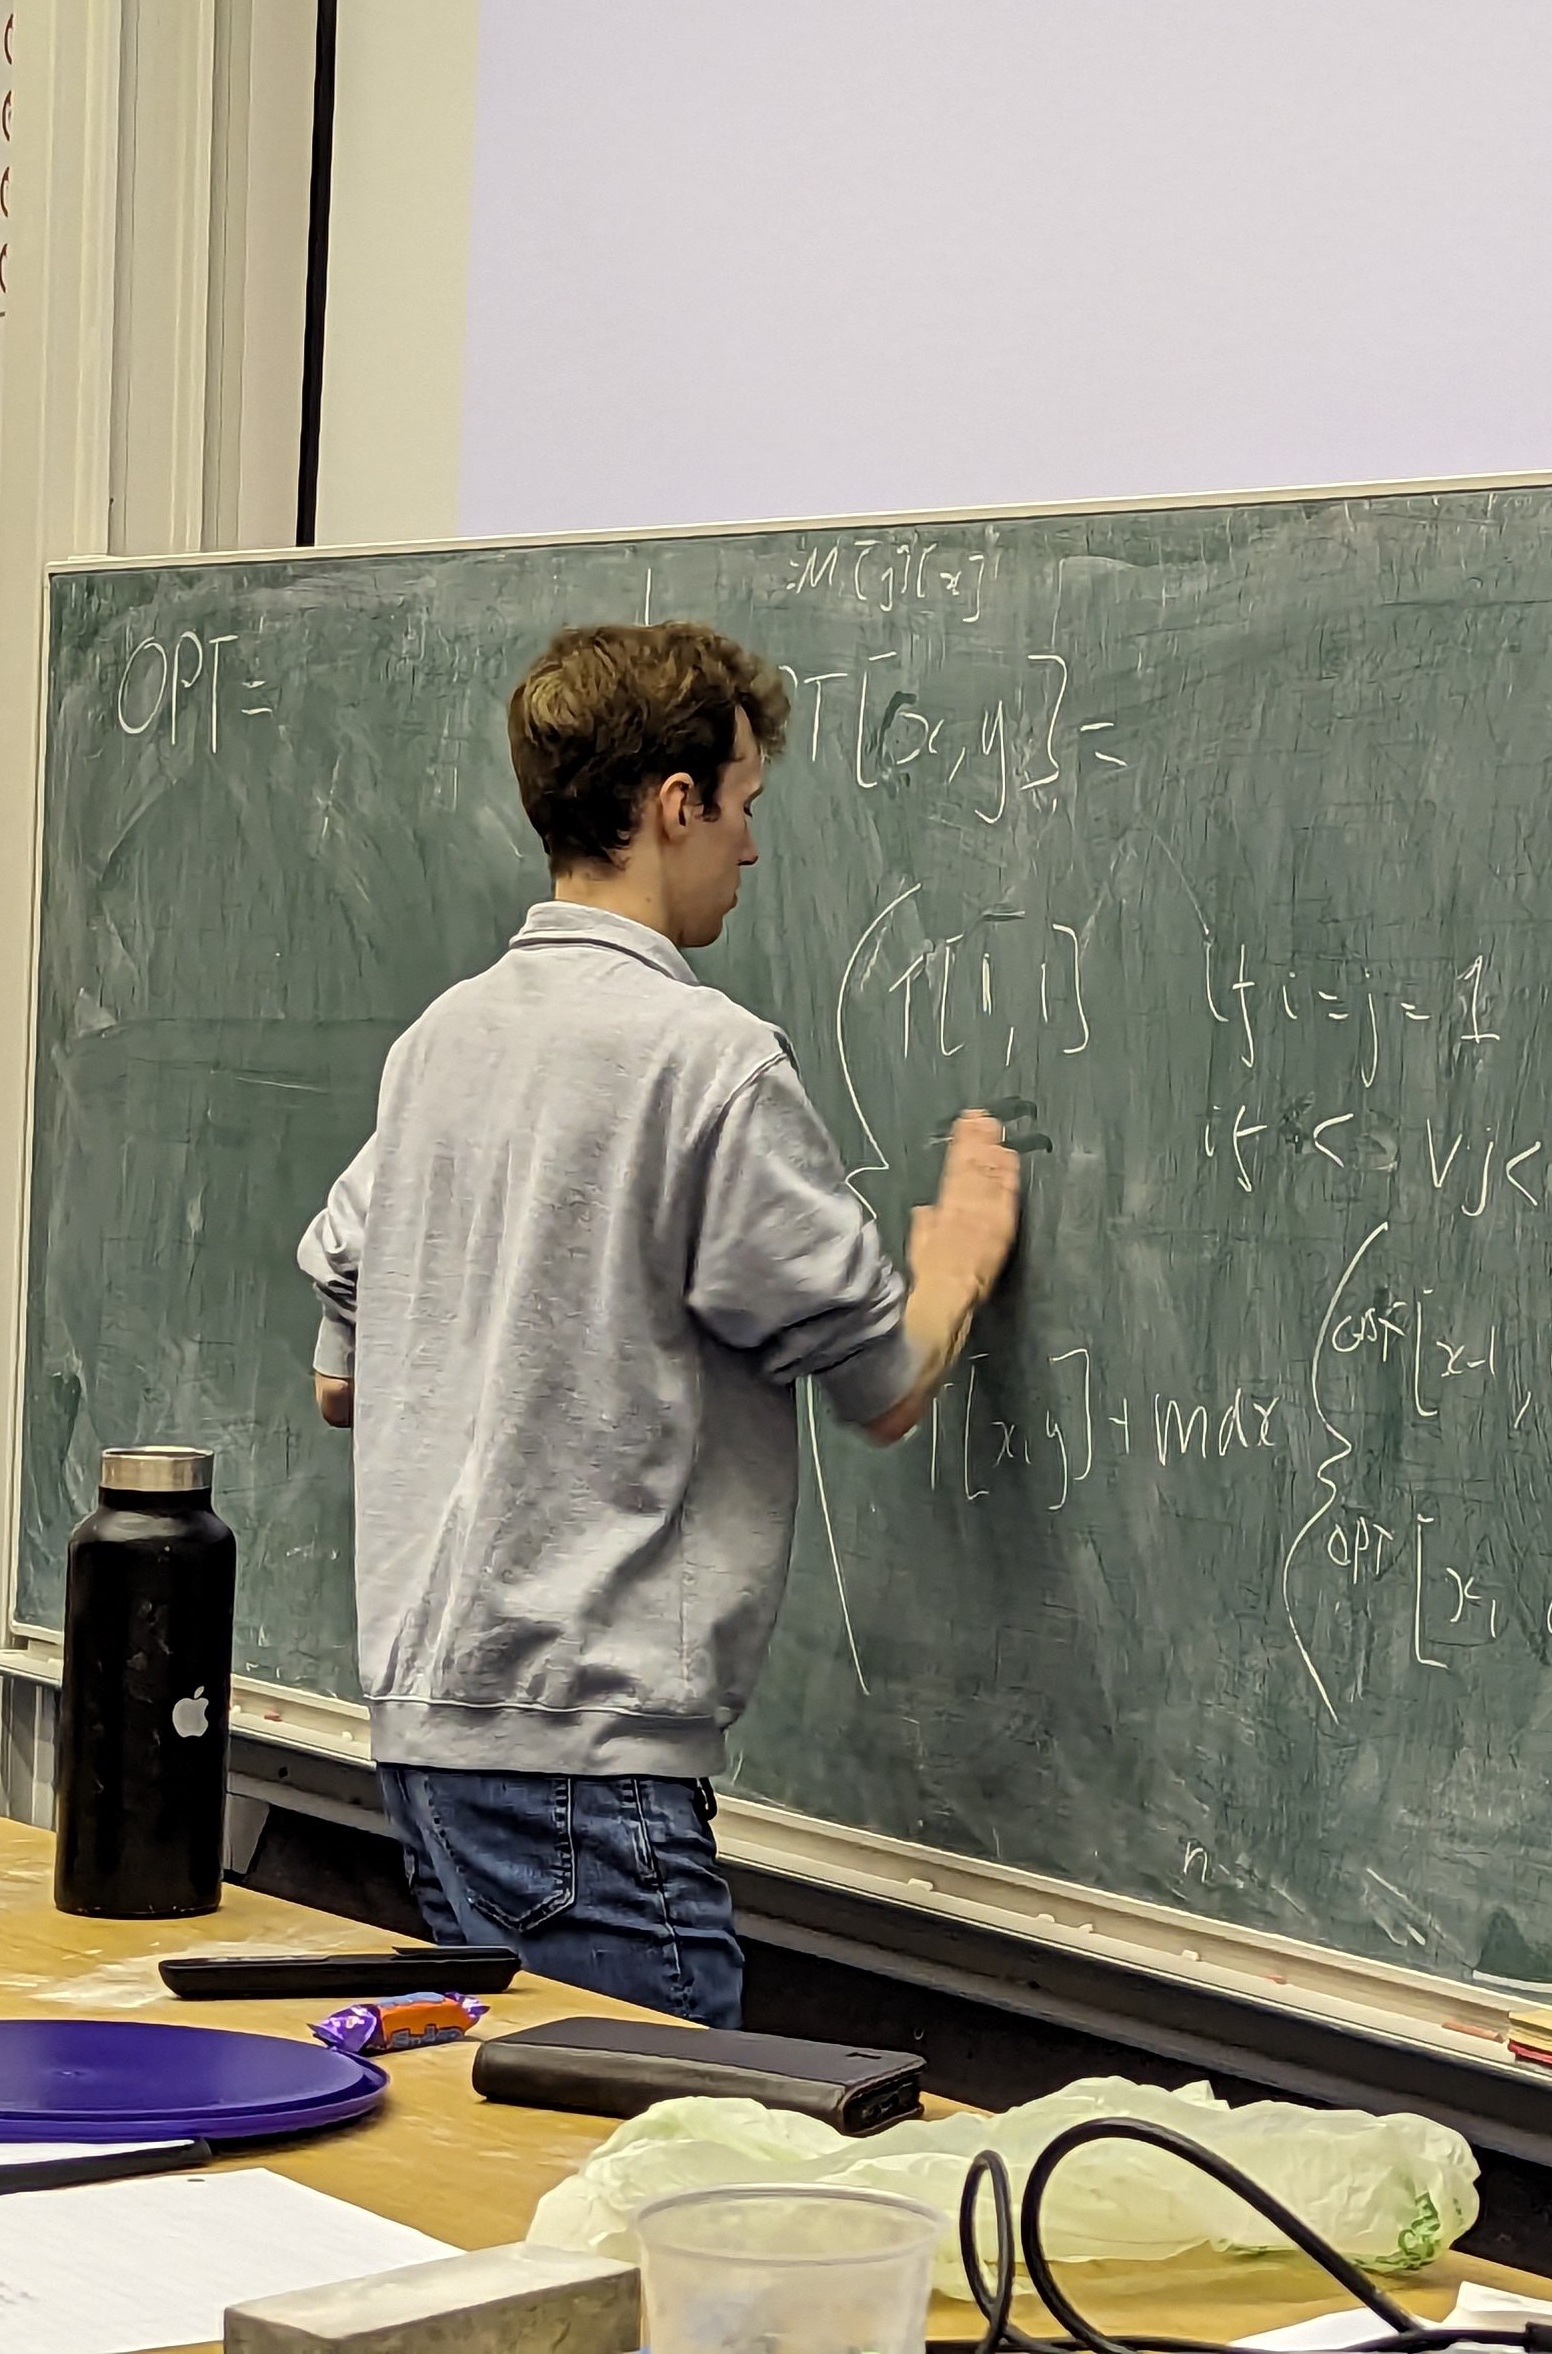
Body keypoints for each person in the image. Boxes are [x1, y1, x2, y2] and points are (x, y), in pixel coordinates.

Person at [297, 619, 1021, 2023]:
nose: (751, 848)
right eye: (743, 807)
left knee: (531, 2173)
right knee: (655, 2191)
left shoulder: (441, 1039)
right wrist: (959, 1256)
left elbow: (339, 1346)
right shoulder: (706, 1063)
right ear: (671, 806)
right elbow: (879, 1374)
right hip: (585, 1756)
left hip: (429, 1736)